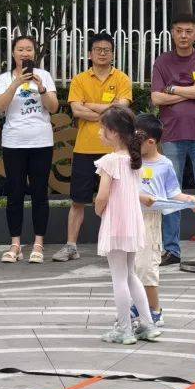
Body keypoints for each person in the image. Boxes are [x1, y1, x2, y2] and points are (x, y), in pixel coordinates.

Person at [52, 32, 132, 262]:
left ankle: (118, 246)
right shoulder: (79, 80)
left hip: (115, 151)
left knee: (117, 198)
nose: (103, 53)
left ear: (113, 53)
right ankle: (70, 246)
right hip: (85, 148)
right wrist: (108, 110)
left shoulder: (122, 79)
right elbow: (77, 110)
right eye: (98, 49)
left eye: (107, 49)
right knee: (78, 199)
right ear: (90, 54)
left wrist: (91, 107)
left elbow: (121, 110)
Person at [93, 106, 160, 344]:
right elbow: (133, 192)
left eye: (103, 129)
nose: (100, 133)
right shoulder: (134, 160)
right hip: (132, 223)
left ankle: (124, 329)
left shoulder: (109, 161)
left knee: (119, 277)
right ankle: (148, 324)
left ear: (113, 132)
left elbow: (103, 196)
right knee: (131, 275)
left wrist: (98, 209)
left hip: (116, 223)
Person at [150, 13, 195, 266]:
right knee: (170, 194)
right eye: (179, 30)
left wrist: (173, 89)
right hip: (172, 135)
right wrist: (190, 92)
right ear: (172, 33)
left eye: (189, 31)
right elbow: (156, 98)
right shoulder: (162, 61)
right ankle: (172, 249)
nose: (184, 36)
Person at [132, 114, 195, 326]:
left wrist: (189, 199)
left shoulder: (165, 164)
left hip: (150, 220)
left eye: (137, 140)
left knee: (148, 266)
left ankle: (155, 310)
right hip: (129, 218)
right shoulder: (129, 160)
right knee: (132, 267)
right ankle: (137, 305)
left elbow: (173, 193)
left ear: (151, 142)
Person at [0, 35, 59, 264]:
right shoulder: (4, 79)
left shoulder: (45, 77)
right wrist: (16, 83)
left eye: (29, 49)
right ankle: (15, 244)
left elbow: (53, 107)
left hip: (41, 142)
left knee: (40, 193)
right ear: (13, 54)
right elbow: (0, 107)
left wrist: (40, 87)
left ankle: (38, 243)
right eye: (20, 49)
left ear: (35, 54)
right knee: (14, 193)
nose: (25, 53)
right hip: (13, 143)